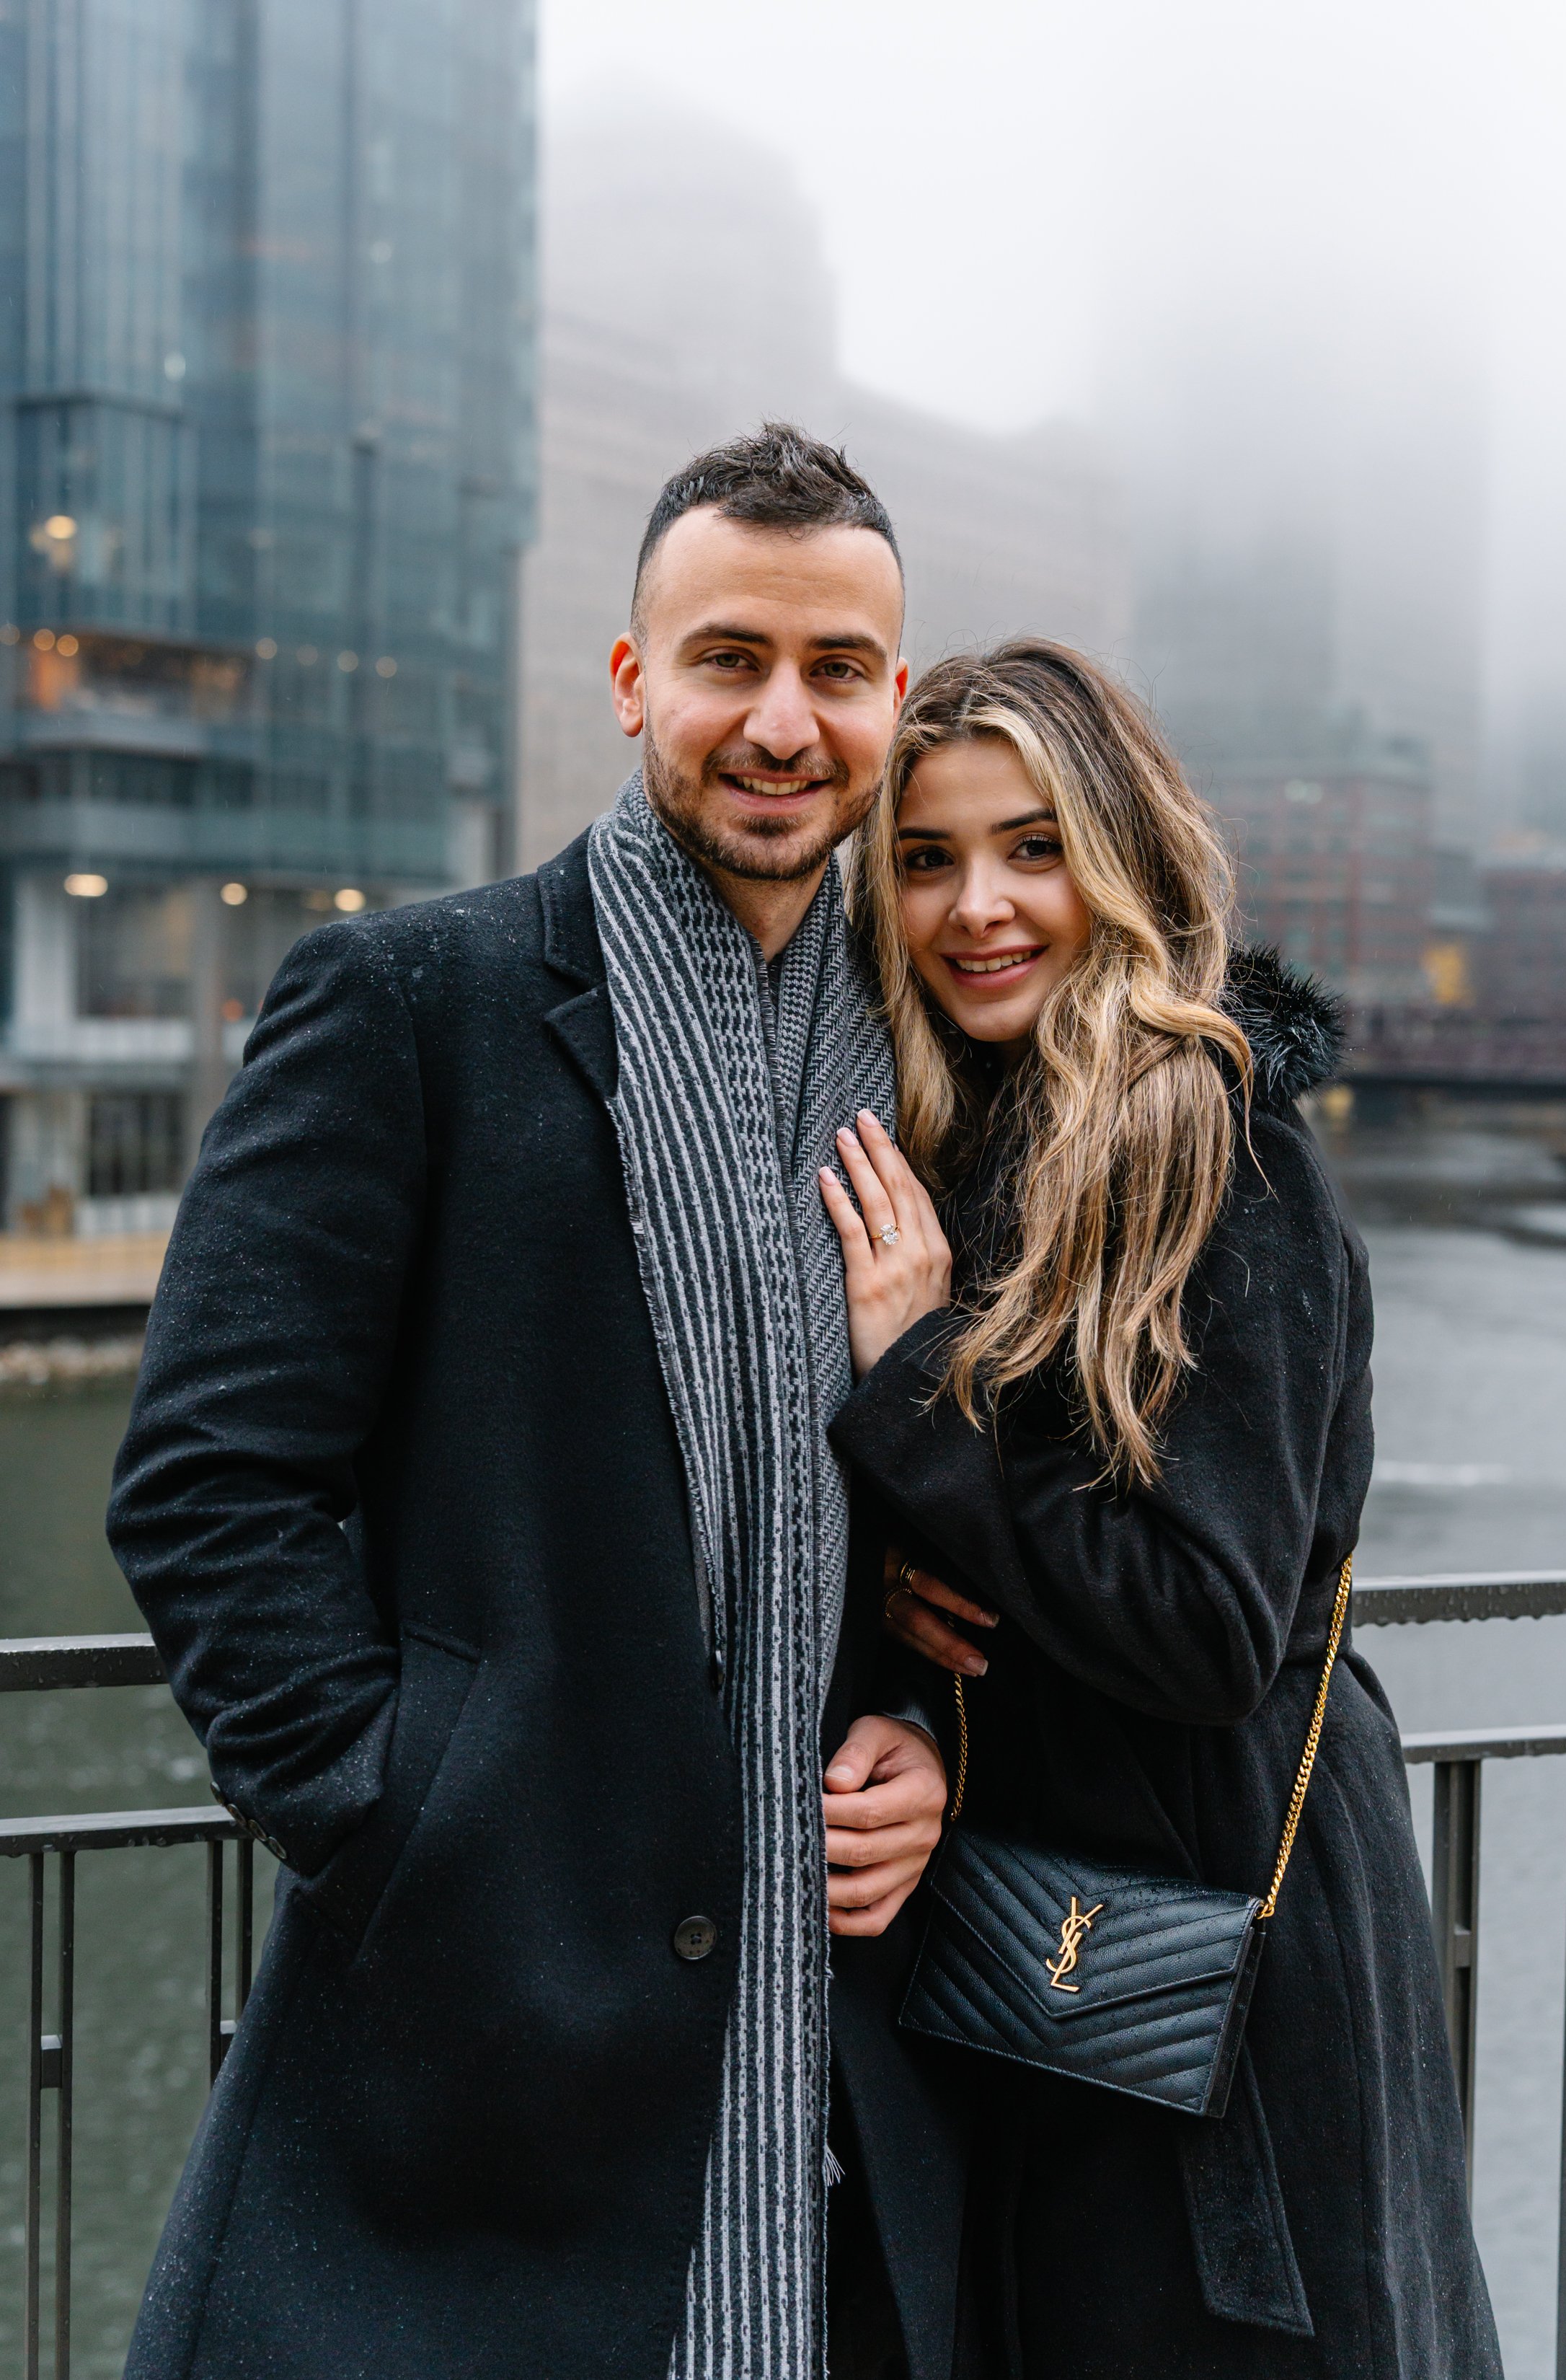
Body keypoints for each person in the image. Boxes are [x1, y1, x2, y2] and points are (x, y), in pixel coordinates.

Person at [106, 426, 965, 2380]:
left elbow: (964, 1516)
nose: (780, 718)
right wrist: (404, 1813)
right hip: (474, 2070)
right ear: (630, 676)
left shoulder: (934, 1064)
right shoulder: (407, 1001)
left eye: (837, 669)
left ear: (893, 701)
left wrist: (935, 1733)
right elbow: (207, 1479)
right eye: (727, 655)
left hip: (847, 2116)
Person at [816, 640, 1503, 2379]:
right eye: (924, 856)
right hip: (1046, 1926)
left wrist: (916, 1385)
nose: (977, 905)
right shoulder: (959, 1145)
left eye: (1031, 846)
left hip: (1222, 1953)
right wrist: (907, 1680)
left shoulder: (1220, 1154)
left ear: (1121, 857)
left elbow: (1202, 1628)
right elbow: (1007, 1564)